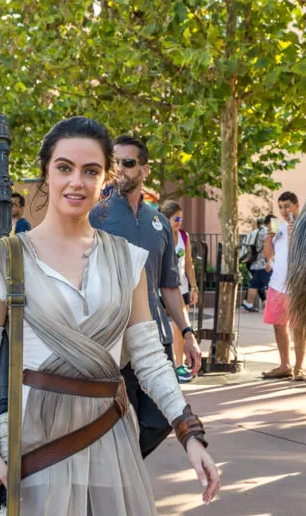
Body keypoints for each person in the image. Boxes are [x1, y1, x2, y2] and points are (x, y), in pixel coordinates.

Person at [0, 116, 219, 515]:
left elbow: (149, 358)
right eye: (64, 168)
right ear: (46, 173)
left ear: (107, 179)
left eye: (91, 170)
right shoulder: (4, 260)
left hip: (110, 440)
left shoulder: (126, 259)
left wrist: (188, 430)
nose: (76, 182)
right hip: (34, 444)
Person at [90, 134, 202, 458]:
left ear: (144, 170)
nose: (121, 170)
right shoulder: (96, 217)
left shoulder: (159, 223)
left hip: (157, 335)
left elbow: (169, 285)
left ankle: (121, 468)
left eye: (129, 163)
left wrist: (188, 333)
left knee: (159, 418)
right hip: (114, 339)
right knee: (120, 420)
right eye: (116, 163)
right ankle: (117, 484)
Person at [262, 191, 306, 385]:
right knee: (278, 325)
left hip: (297, 285)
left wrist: (292, 234)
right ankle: (285, 366)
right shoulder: (280, 227)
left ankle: (300, 367)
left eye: (287, 206)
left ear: (297, 205)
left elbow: (297, 254)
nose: (284, 210)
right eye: (281, 207)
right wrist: (269, 237)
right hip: (277, 283)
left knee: (298, 327)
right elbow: (268, 255)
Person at [159, 200, 199, 384]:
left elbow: (189, 263)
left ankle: (179, 364)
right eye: (176, 218)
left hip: (180, 287)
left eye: (181, 218)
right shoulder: (158, 236)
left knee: (180, 327)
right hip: (161, 289)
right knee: (158, 327)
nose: (179, 222)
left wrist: (193, 286)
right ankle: (161, 365)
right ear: (165, 219)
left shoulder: (184, 236)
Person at [241, 215, 272, 312]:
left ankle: (250, 304)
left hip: (254, 263)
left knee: (256, 284)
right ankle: (265, 305)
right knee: (269, 284)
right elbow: (271, 242)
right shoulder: (264, 232)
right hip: (263, 263)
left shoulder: (254, 232)